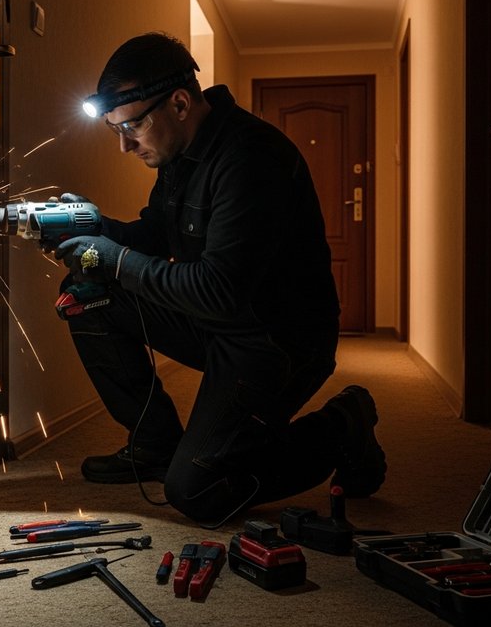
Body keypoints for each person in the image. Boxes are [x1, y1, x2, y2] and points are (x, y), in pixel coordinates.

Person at [54, 32, 385, 526]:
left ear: (181, 103)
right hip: (215, 323)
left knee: (199, 490)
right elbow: (157, 232)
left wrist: (116, 259)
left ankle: (345, 424)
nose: (124, 145)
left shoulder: (252, 158)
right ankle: (153, 445)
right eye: (114, 130)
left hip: (276, 343)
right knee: (85, 295)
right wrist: (92, 228)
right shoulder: (178, 155)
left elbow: (218, 288)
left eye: (132, 127)